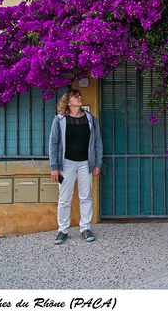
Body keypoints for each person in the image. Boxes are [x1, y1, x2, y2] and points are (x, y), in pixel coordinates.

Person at [48, 88, 103, 244]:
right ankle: (62, 230)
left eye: (80, 96)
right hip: (66, 164)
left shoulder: (90, 119)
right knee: (64, 198)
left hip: (86, 163)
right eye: (76, 96)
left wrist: (97, 162)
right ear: (68, 101)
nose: (80, 97)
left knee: (85, 197)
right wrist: (54, 166)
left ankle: (85, 228)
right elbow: (53, 144)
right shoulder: (59, 120)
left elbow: (97, 143)